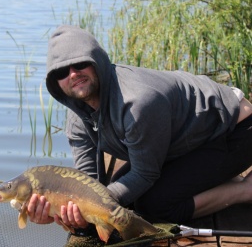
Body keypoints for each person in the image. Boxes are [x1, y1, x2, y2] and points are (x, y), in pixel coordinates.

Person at [27, 25, 252, 238]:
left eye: (79, 64)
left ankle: (245, 190)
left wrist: (96, 207)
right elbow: (89, 181)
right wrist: (63, 210)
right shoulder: (77, 115)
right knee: (126, 196)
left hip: (234, 129)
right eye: (61, 72)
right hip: (187, 140)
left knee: (155, 205)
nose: (73, 74)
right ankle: (211, 175)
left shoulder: (138, 101)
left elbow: (145, 174)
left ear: (96, 61)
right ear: (56, 83)